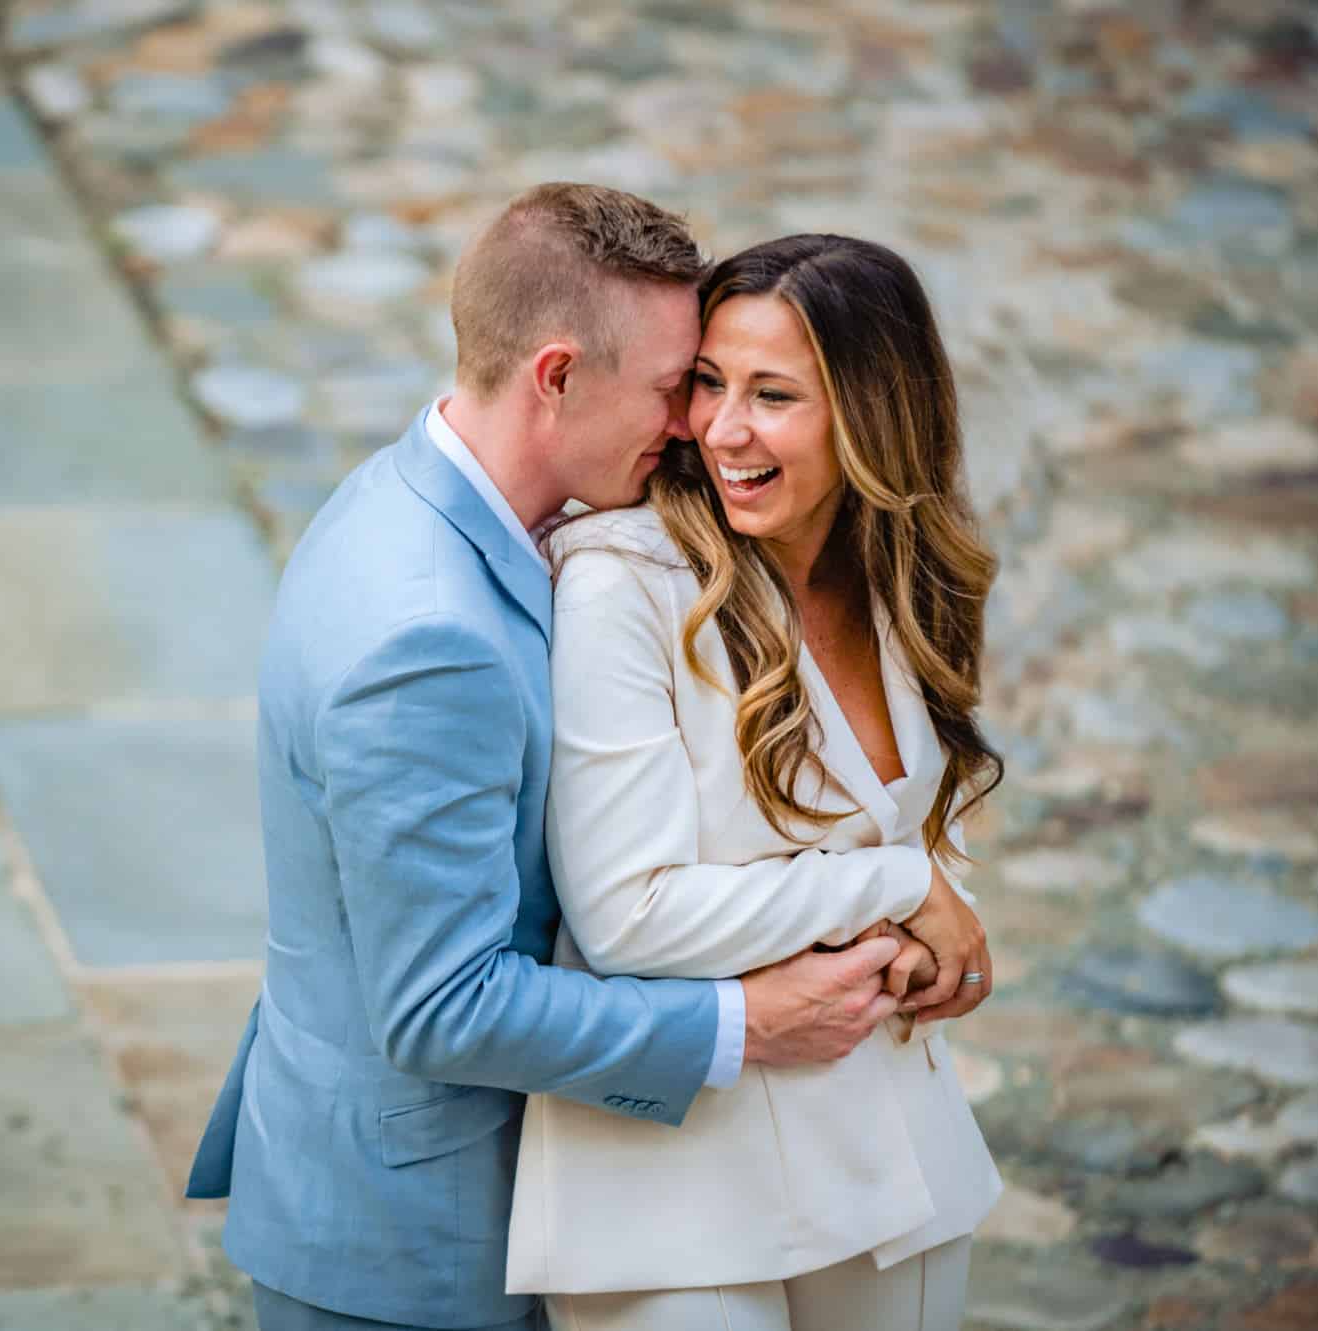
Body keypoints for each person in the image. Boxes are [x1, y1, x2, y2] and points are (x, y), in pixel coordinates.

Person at [185, 188, 970, 1330]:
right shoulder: (428, 633)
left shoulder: (409, 498)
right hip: (421, 1244)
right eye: (675, 387)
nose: (691, 427)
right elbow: (442, 1008)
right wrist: (748, 1019)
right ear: (555, 375)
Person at [508, 234, 1006, 1331]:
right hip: (667, 1176)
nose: (721, 430)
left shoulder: (901, 585)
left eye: (771, 394)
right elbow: (626, 912)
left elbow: (909, 813)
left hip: (885, 1146)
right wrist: (893, 888)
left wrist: (928, 921)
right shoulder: (624, 584)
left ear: (872, 414)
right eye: (706, 384)